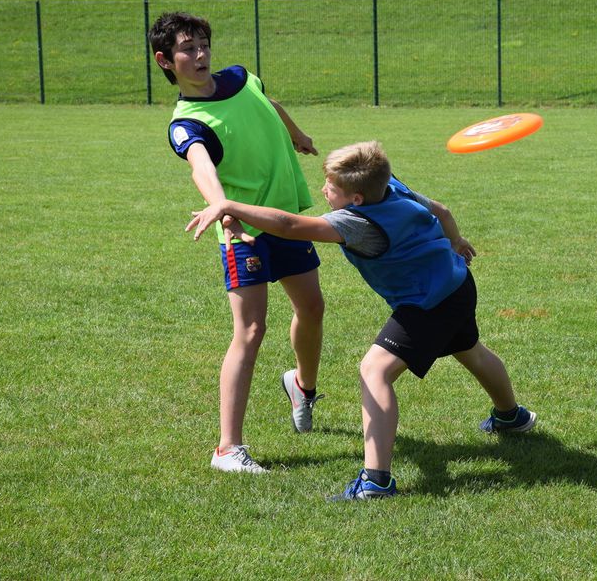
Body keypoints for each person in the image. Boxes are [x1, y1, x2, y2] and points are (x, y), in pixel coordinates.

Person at [186, 141, 537, 499]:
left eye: (331, 188)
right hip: (457, 283)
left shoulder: (357, 221)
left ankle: (375, 481)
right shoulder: (390, 186)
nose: (323, 190)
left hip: (428, 302)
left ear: (355, 198)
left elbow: (289, 225)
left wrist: (227, 204)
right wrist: (456, 241)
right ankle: (512, 416)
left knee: (375, 370)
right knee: (468, 349)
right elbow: (443, 211)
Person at [148, 11, 326, 474]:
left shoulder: (243, 78)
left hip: (284, 218)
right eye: (188, 49)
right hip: (242, 230)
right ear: (165, 61)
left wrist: (297, 134)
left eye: (204, 44)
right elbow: (200, 165)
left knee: (312, 307)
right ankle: (228, 449)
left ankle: (302, 387)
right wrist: (221, 204)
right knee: (249, 331)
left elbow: (268, 101)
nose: (201, 54)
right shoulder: (186, 122)